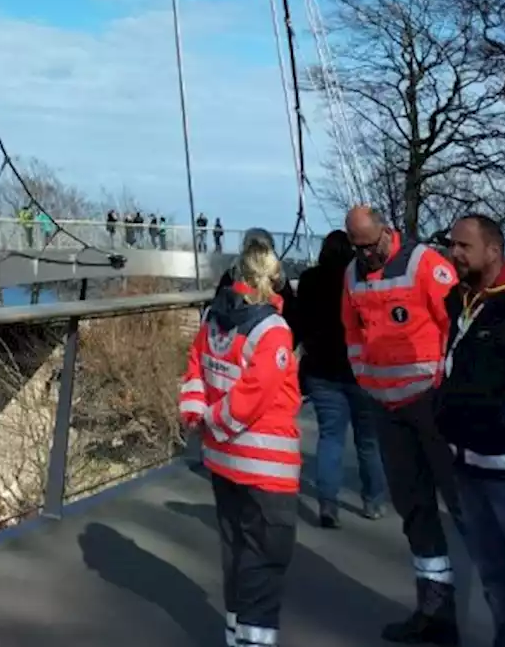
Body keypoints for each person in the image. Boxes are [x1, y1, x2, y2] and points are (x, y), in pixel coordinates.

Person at [344, 204, 461, 643]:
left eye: (370, 245)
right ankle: (435, 613)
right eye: (357, 248)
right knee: (415, 511)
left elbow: (454, 325)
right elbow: (352, 331)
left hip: (431, 405)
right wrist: (362, 374)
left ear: (386, 232)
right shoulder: (352, 275)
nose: (366, 256)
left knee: (466, 507)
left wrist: (444, 385)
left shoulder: (424, 264)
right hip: (387, 409)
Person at [179, 235, 301, 647]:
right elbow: (253, 397)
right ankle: (253, 640)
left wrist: (197, 415)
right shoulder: (272, 330)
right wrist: (216, 420)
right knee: (265, 559)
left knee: (234, 549)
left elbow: (195, 368)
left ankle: (235, 631)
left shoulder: (213, 320)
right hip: (266, 468)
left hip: (222, 461)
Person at [436, 213, 505, 647]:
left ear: (493, 250)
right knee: (494, 574)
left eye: (463, 246)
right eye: (452, 244)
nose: (454, 253)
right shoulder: (462, 299)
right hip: (467, 462)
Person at [292, 230, 387, 526]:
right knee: (368, 441)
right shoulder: (361, 281)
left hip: (321, 370)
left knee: (330, 437)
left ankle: (328, 504)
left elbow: (298, 321)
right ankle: (373, 501)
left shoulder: (309, 280)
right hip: (362, 370)